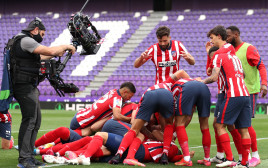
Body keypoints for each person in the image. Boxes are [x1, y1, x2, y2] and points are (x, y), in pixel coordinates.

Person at [11, 17, 76, 168]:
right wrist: (66, 46)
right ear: (35, 30)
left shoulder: (26, 43)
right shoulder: (25, 40)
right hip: (23, 86)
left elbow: (42, 56)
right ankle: (24, 158)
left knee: (35, 121)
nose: (43, 36)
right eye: (42, 33)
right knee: (30, 121)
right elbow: (50, 50)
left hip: (29, 85)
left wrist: (57, 53)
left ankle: (29, 156)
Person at [108, 70, 190, 165]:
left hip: (149, 95)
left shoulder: (146, 95)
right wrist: (191, 80)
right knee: (169, 125)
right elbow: (181, 72)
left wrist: (144, 128)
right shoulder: (167, 85)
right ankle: (165, 155)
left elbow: (134, 121)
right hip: (166, 95)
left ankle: (118, 154)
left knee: (134, 129)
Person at [202, 25, 251, 168]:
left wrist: (200, 81)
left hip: (232, 94)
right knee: (243, 129)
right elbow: (243, 75)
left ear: (219, 36)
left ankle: (229, 159)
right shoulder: (234, 55)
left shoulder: (219, 54)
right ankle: (244, 163)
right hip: (244, 94)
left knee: (219, 125)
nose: (211, 41)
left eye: (212, 38)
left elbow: (213, 76)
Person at [226, 26, 267, 167]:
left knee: (245, 124)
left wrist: (264, 84)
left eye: (229, 35)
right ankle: (245, 156)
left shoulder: (249, 48)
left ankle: (255, 155)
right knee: (235, 125)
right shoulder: (229, 50)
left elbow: (261, 66)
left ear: (236, 35)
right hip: (236, 91)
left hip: (249, 90)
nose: (226, 38)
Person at [70, 82, 136, 136]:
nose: (129, 99)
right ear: (125, 92)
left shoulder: (114, 91)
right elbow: (117, 116)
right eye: (129, 96)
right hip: (81, 122)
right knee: (87, 132)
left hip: (80, 116)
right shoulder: (117, 99)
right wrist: (130, 119)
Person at [171, 78, 211, 166]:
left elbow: (173, 115)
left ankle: (186, 159)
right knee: (205, 126)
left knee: (179, 123)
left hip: (188, 88)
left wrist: (173, 134)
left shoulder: (172, 90)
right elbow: (189, 116)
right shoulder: (187, 80)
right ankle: (207, 159)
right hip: (204, 87)